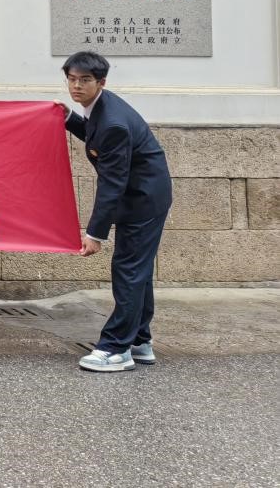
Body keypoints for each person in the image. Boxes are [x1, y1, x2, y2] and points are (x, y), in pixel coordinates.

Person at [62, 51, 173, 373]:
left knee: (128, 270)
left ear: (101, 82)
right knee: (137, 271)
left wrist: (95, 234)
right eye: (71, 79)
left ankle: (116, 348)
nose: (76, 86)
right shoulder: (100, 108)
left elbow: (112, 183)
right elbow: (95, 136)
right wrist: (69, 119)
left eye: (84, 80)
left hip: (142, 200)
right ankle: (139, 340)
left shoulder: (113, 122)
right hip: (142, 195)